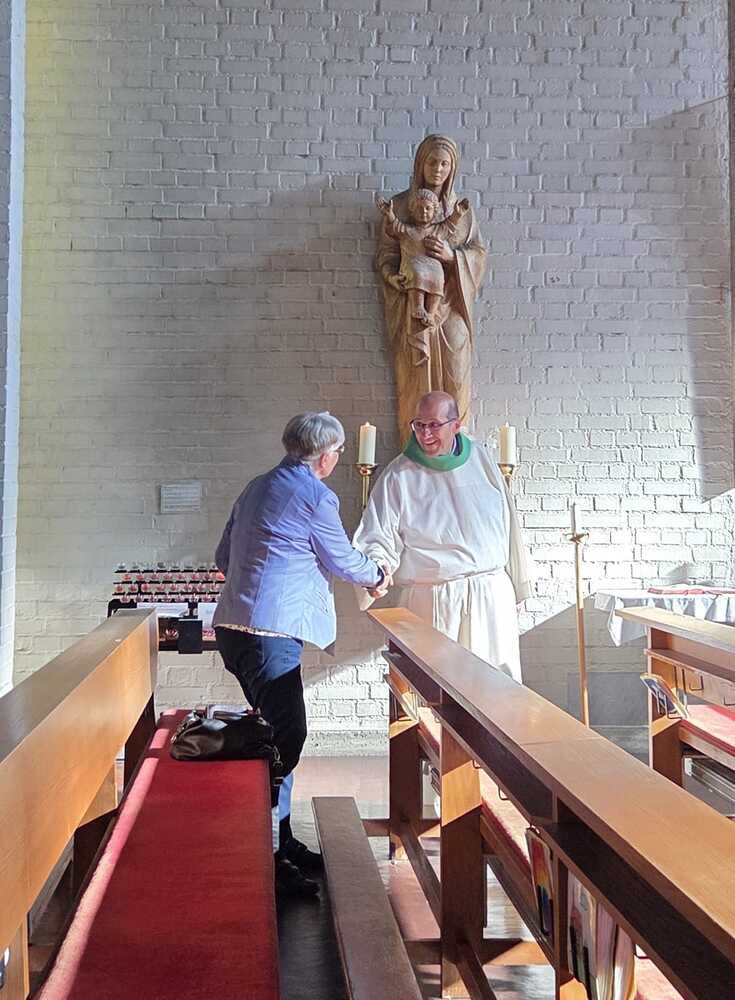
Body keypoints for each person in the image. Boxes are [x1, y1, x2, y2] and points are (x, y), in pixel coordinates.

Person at [214, 412, 388, 897]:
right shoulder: (315, 495)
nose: (338, 458)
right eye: (338, 452)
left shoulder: (257, 486)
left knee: (277, 733)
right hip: (268, 633)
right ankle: (268, 856)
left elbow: (223, 557)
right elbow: (342, 559)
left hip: (236, 627)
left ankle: (282, 840)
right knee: (285, 738)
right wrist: (377, 574)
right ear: (325, 455)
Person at [354, 392, 532, 681]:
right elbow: (378, 533)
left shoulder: (482, 459)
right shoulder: (399, 474)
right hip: (433, 600)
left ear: (456, 425)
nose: (425, 434)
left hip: (489, 596)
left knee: (497, 689)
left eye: (434, 425)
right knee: (436, 690)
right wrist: (377, 569)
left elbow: (508, 523)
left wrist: (518, 581)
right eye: (419, 425)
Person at [376, 134, 487, 445]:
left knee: (456, 374)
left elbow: (478, 254)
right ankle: (415, 449)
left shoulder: (461, 211)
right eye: (431, 162)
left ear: (452, 169)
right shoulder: (400, 206)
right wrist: (392, 277)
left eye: (444, 164)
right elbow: (386, 255)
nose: (437, 169)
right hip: (413, 306)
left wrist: (452, 257)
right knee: (416, 379)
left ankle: (455, 450)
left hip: (451, 305)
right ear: (420, 164)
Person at [377, 189, 470, 333]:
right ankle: (417, 306)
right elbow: (395, 226)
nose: (424, 212)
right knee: (418, 273)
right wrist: (389, 214)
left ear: (434, 211)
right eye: (419, 208)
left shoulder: (437, 230)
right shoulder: (408, 231)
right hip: (413, 266)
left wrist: (457, 214)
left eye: (428, 208)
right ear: (412, 210)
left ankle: (431, 313)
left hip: (433, 267)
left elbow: (449, 225)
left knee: (438, 277)